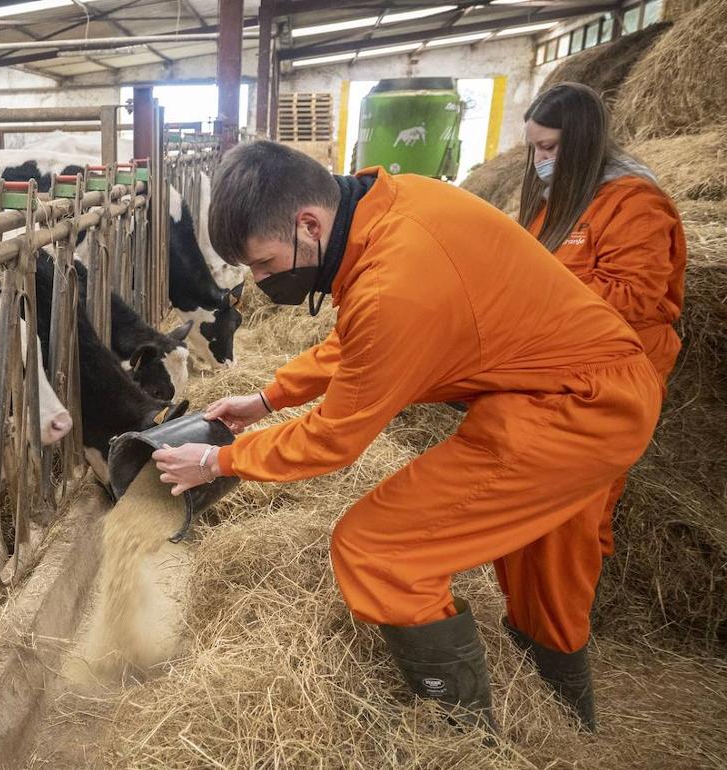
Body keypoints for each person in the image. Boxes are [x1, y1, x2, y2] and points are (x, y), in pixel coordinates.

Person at [151, 140, 662, 734]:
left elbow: (333, 439)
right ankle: (568, 721)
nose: (263, 281)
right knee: (542, 567)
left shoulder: (397, 283)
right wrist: (269, 397)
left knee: (380, 551)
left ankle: (462, 739)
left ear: (309, 224)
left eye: (264, 265)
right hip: (568, 383)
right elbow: (358, 339)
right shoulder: (394, 208)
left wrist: (218, 460)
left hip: (577, 407)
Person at [520, 82, 686, 555]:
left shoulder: (634, 202)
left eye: (548, 147)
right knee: (548, 491)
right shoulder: (562, 196)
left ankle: (574, 602)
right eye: (534, 147)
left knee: (586, 496)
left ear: (583, 141)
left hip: (622, 364)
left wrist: (533, 296)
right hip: (569, 360)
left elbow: (632, 295)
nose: (539, 160)